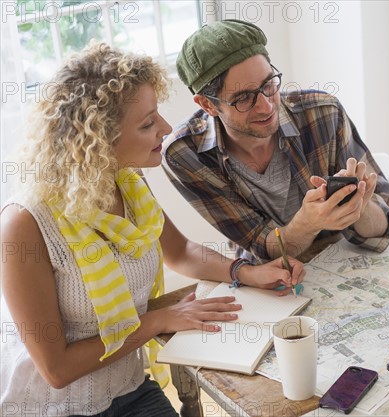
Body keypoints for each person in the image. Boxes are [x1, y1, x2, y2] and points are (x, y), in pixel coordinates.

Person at [0, 43, 304, 417]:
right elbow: (57, 370)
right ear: (97, 142)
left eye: (156, 114)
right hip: (54, 408)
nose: (165, 127)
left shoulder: (126, 181)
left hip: (128, 386)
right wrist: (157, 320)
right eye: (147, 124)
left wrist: (248, 272)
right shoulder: (24, 226)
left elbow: (180, 251)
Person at [162, 19, 389, 263]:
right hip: (272, 282)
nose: (266, 106)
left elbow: (381, 227)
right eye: (244, 98)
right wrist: (307, 223)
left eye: (268, 84)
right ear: (208, 104)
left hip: (345, 260)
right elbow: (261, 247)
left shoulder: (324, 113)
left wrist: (360, 207)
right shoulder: (185, 153)